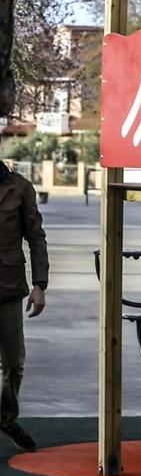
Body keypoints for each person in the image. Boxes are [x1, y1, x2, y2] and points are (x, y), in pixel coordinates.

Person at [0, 160, 48, 452]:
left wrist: (40, 284)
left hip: (7, 287)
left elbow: (36, 237)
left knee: (14, 363)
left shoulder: (20, 188)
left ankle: (5, 418)